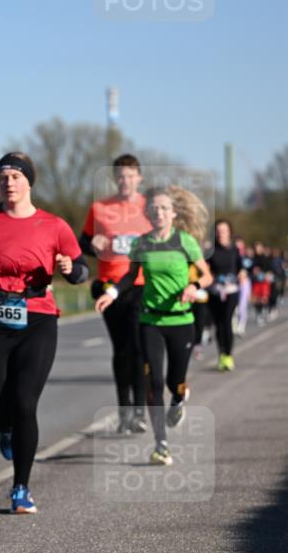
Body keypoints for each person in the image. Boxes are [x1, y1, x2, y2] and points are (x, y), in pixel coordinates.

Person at [0, 152, 88, 513]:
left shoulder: (54, 225)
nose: (9, 182)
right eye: (3, 177)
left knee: (26, 403)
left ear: (29, 182)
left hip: (38, 319)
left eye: (15, 176)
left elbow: (81, 269)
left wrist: (69, 268)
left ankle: (21, 488)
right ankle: (5, 429)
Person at [95, 186, 212, 466]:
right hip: (150, 321)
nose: (158, 212)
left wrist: (193, 286)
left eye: (163, 208)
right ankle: (161, 445)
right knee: (155, 382)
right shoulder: (141, 244)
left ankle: (180, 397)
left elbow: (207, 276)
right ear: (149, 214)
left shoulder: (185, 242)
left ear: (173, 214)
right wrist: (111, 294)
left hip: (182, 322)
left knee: (175, 382)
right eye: (154, 208)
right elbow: (129, 277)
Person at [80, 154, 152, 434]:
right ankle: (124, 411)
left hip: (140, 285)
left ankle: (139, 411)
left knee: (138, 347)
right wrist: (91, 244)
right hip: (109, 288)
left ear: (139, 178)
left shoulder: (150, 208)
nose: (125, 181)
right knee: (121, 349)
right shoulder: (99, 208)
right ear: (115, 178)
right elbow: (83, 242)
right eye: (120, 176)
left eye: (130, 175)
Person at [207, 220, 244, 371]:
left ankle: (228, 354)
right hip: (215, 291)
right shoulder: (211, 251)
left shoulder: (234, 250)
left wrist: (242, 274)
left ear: (229, 232)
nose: (221, 233)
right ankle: (221, 353)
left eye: (224, 230)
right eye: (218, 230)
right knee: (218, 325)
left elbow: (241, 268)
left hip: (231, 290)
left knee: (227, 321)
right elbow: (205, 268)